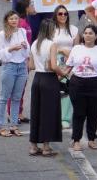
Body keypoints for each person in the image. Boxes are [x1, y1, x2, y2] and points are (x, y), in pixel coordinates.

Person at [63, 24, 97, 151]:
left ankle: (92, 138)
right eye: (86, 33)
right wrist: (55, 78)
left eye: (91, 33)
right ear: (82, 35)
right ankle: (76, 140)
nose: (88, 35)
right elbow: (68, 67)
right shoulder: (76, 49)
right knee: (79, 113)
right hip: (78, 84)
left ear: (96, 36)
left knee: (94, 113)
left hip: (96, 84)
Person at [28, 19, 64, 157]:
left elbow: (31, 65)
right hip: (49, 80)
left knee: (36, 111)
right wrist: (63, 73)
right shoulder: (52, 44)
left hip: (37, 79)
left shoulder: (35, 43)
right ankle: (46, 147)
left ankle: (33, 145)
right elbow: (54, 66)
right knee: (48, 113)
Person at [0, 10, 30, 138]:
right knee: (4, 97)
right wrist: (11, 48)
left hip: (22, 67)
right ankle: (0, 126)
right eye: (11, 19)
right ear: (7, 21)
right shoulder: (2, 34)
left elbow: (27, 53)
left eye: (16, 18)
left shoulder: (22, 32)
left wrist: (26, 47)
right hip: (9, 67)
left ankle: (14, 125)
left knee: (17, 97)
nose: (14, 21)